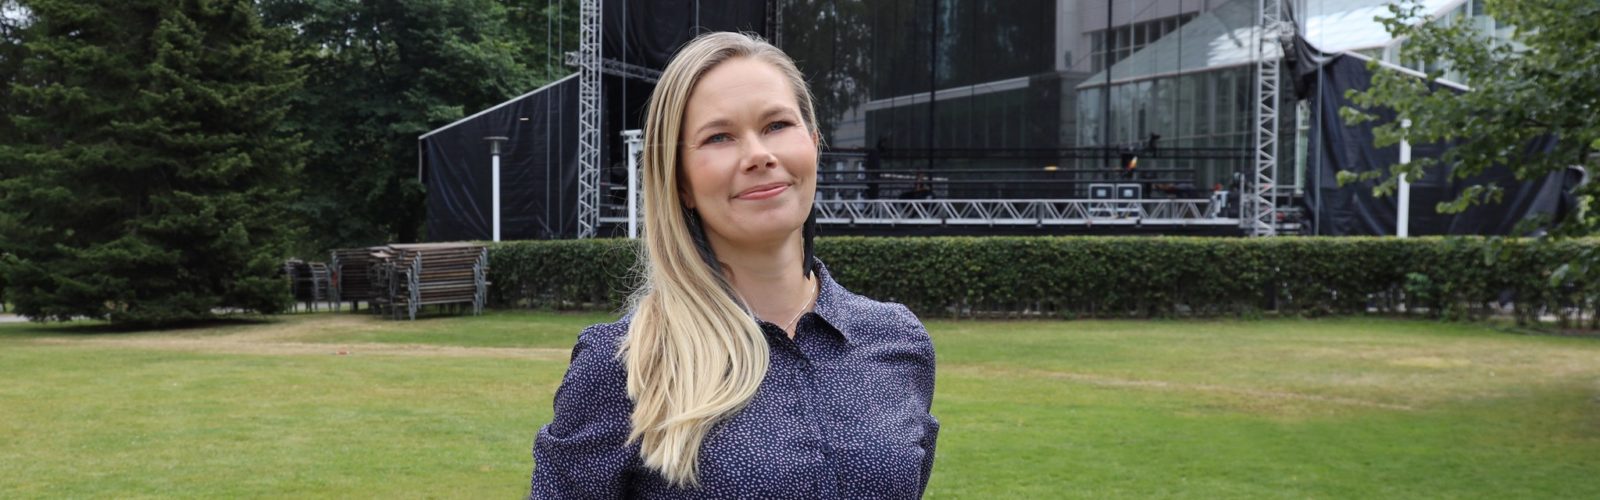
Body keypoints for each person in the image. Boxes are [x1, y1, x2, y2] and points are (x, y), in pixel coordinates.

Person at [528, 32, 939, 499]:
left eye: (777, 125)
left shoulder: (897, 341)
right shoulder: (625, 366)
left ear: (813, 143)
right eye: (719, 137)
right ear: (680, 182)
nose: (759, 155)